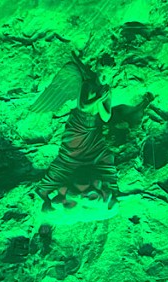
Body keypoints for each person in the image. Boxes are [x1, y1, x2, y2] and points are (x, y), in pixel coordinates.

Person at [36, 56, 119, 210]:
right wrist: (98, 98)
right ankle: (45, 190)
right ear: (97, 71)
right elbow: (82, 106)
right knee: (69, 157)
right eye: (102, 74)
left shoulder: (107, 90)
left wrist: (102, 100)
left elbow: (106, 117)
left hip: (94, 129)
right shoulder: (87, 84)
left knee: (105, 155)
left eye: (108, 75)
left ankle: (111, 190)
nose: (104, 78)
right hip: (79, 126)